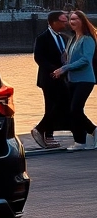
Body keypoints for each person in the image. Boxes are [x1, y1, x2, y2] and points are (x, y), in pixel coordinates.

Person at [55, 10, 96, 151]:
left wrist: (65, 68)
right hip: (72, 80)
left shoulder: (87, 39)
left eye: (75, 19)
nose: (72, 22)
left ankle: (91, 132)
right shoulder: (73, 39)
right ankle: (81, 141)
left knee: (75, 109)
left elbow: (85, 60)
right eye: (70, 19)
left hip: (85, 80)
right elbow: (67, 56)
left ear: (82, 21)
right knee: (72, 111)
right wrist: (61, 67)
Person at [31, 11, 71, 149]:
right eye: (63, 21)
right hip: (49, 78)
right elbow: (39, 58)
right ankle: (45, 132)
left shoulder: (65, 38)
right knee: (52, 105)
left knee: (61, 103)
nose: (66, 23)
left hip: (63, 78)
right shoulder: (42, 38)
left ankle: (47, 133)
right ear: (53, 22)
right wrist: (54, 70)